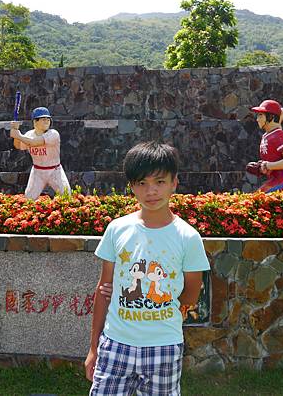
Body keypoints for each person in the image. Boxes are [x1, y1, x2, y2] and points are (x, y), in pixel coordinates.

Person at [85, 141, 210, 396]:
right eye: (142, 183)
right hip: (116, 345)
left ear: (175, 182)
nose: (151, 191)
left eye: (160, 182)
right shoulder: (117, 229)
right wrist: (94, 347)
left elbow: (192, 292)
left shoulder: (188, 237)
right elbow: (104, 289)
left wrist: (168, 315)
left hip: (164, 347)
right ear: (131, 187)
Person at [10, 106, 71, 200]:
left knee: (67, 197)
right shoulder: (29, 134)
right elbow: (18, 146)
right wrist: (15, 133)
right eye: (43, 119)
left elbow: (33, 142)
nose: (47, 121)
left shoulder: (53, 134)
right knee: (29, 199)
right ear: (35, 122)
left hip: (54, 171)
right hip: (37, 172)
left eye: (48, 119)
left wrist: (18, 135)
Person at [250, 99, 283, 195]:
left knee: (258, 200)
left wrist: (267, 165)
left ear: (271, 117)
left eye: (261, 115)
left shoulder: (279, 135)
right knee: (255, 199)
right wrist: (262, 167)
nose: (257, 119)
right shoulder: (269, 135)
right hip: (276, 178)